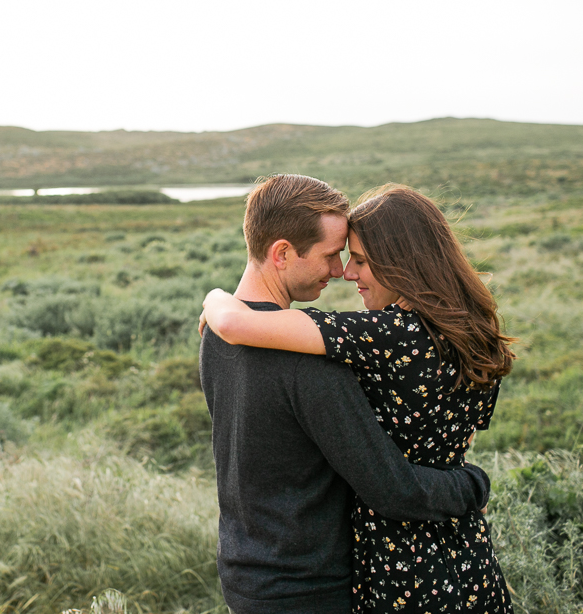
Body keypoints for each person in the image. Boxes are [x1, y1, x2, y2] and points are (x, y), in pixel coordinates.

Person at [203, 183, 516, 613]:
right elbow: (394, 487)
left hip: (244, 574)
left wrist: (215, 297)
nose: (341, 271)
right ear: (281, 254)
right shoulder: (312, 360)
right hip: (315, 585)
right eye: (333, 255)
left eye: (356, 259)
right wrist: (473, 484)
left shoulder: (215, 337)